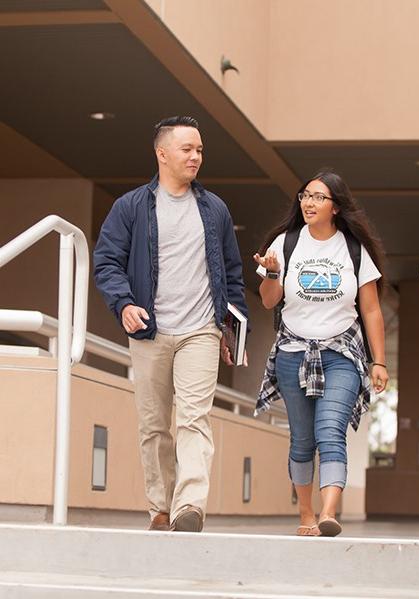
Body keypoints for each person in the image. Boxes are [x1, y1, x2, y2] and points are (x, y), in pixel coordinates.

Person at [94, 115, 248, 533]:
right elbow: (107, 261)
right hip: (149, 331)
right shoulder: (131, 207)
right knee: (154, 424)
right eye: (187, 149)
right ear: (162, 153)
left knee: (194, 418)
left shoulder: (214, 209)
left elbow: (232, 274)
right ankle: (160, 508)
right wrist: (123, 304)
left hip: (201, 330)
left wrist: (232, 329)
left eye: (200, 149)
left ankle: (189, 505)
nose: (196, 156)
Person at [253, 169, 388, 537]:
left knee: (330, 431)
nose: (309, 203)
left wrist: (379, 361)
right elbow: (268, 302)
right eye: (305, 196)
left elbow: (371, 309)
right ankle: (307, 514)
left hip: (341, 353)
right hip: (293, 352)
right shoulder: (285, 243)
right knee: (302, 439)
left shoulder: (353, 249)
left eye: (318, 197)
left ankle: (329, 513)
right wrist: (272, 274)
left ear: (336, 207)